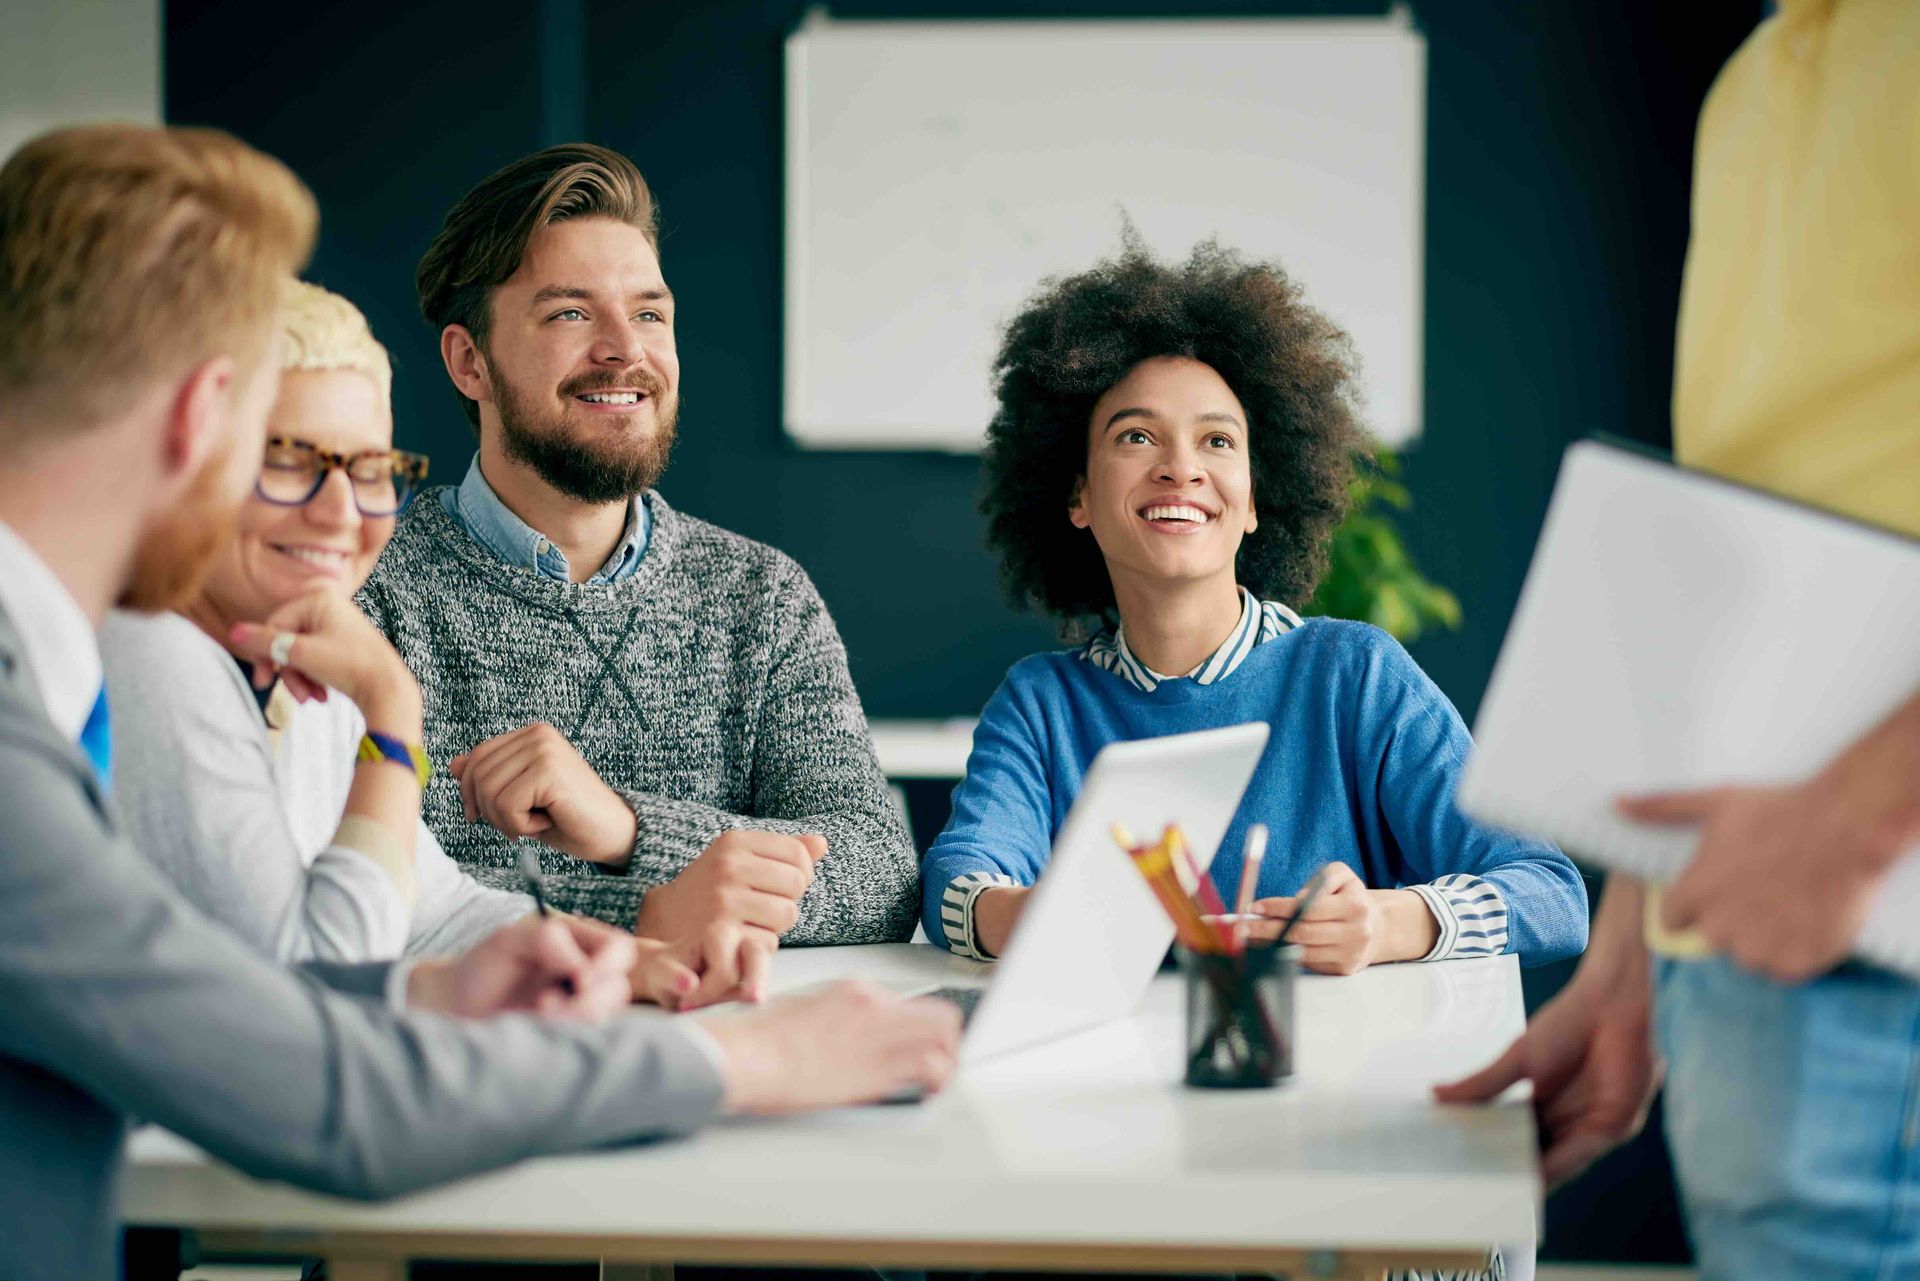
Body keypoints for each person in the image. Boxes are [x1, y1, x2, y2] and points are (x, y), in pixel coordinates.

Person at [0, 122, 959, 1281]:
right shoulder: (206, 644)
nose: (334, 512)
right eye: (281, 445)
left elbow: (291, 968)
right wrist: (746, 1059)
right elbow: (314, 1071)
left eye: (648, 310)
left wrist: (498, 947)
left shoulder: (67, 676)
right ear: (204, 413)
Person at [1437, 3, 1920, 1277]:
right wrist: (1633, 954)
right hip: (1750, 936)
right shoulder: (1764, 77)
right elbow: (1753, 514)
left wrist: (1867, 810)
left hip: (1883, 921)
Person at [921, 238, 1588, 975]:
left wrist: (1391, 921)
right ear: (1076, 494)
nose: (1181, 466)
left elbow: (1552, 890)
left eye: (1217, 439)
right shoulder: (1041, 703)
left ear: (1254, 502)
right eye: (1137, 436)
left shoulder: (1354, 674)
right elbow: (959, 881)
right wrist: (1023, 914)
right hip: (1113, 1077)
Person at [358, 143, 916, 1005]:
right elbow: (381, 884)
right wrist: (660, 905)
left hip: (736, 1070)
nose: (626, 352)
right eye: (571, 314)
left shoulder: (761, 596)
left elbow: (879, 873)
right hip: (494, 1074)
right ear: (469, 362)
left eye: (651, 315)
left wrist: (630, 831)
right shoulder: (366, 585)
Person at [101, 280, 703, 1006]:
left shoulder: (299, 660)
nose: (340, 511)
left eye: (370, 470)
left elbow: (428, 910)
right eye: (289, 459)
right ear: (195, 462)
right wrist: (392, 711)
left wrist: (615, 958)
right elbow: (318, 981)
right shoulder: (148, 654)